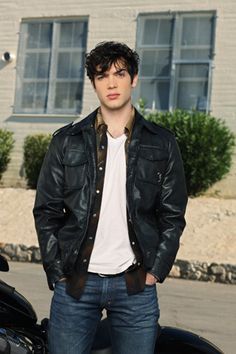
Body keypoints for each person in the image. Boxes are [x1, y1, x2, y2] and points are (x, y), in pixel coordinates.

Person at [33, 41, 188, 354]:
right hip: (76, 285)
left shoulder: (162, 143)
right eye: (102, 76)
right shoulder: (66, 142)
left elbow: (172, 215)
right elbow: (46, 211)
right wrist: (58, 272)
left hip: (135, 286)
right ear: (94, 84)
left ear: (134, 78)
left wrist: (156, 270)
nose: (112, 83)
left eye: (119, 73)